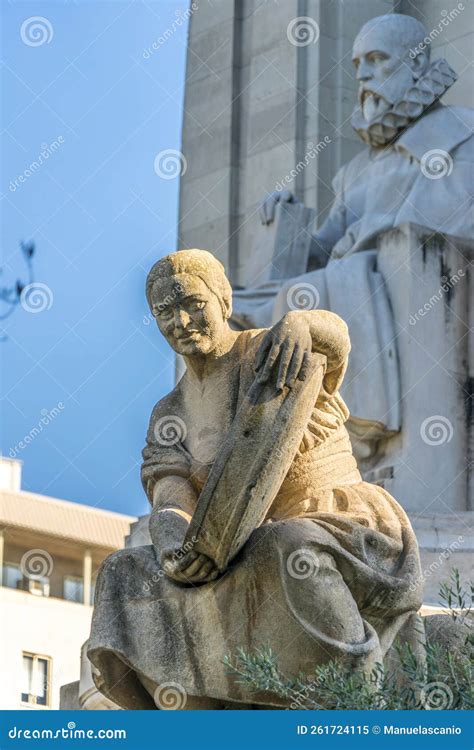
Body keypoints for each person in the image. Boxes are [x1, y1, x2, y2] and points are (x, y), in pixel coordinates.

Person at [88, 249, 423, 709]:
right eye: (164, 312)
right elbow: (170, 493)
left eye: (192, 303)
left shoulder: (271, 348)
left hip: (334, 518)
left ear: (223, 299)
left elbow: (337, 340)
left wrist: (304, 323)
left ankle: (355, 690)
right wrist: (172, 543)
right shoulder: (169, 413)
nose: (181, 321)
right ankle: (190, 719)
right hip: (230, 547)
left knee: (289, 544)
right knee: (121, 571)